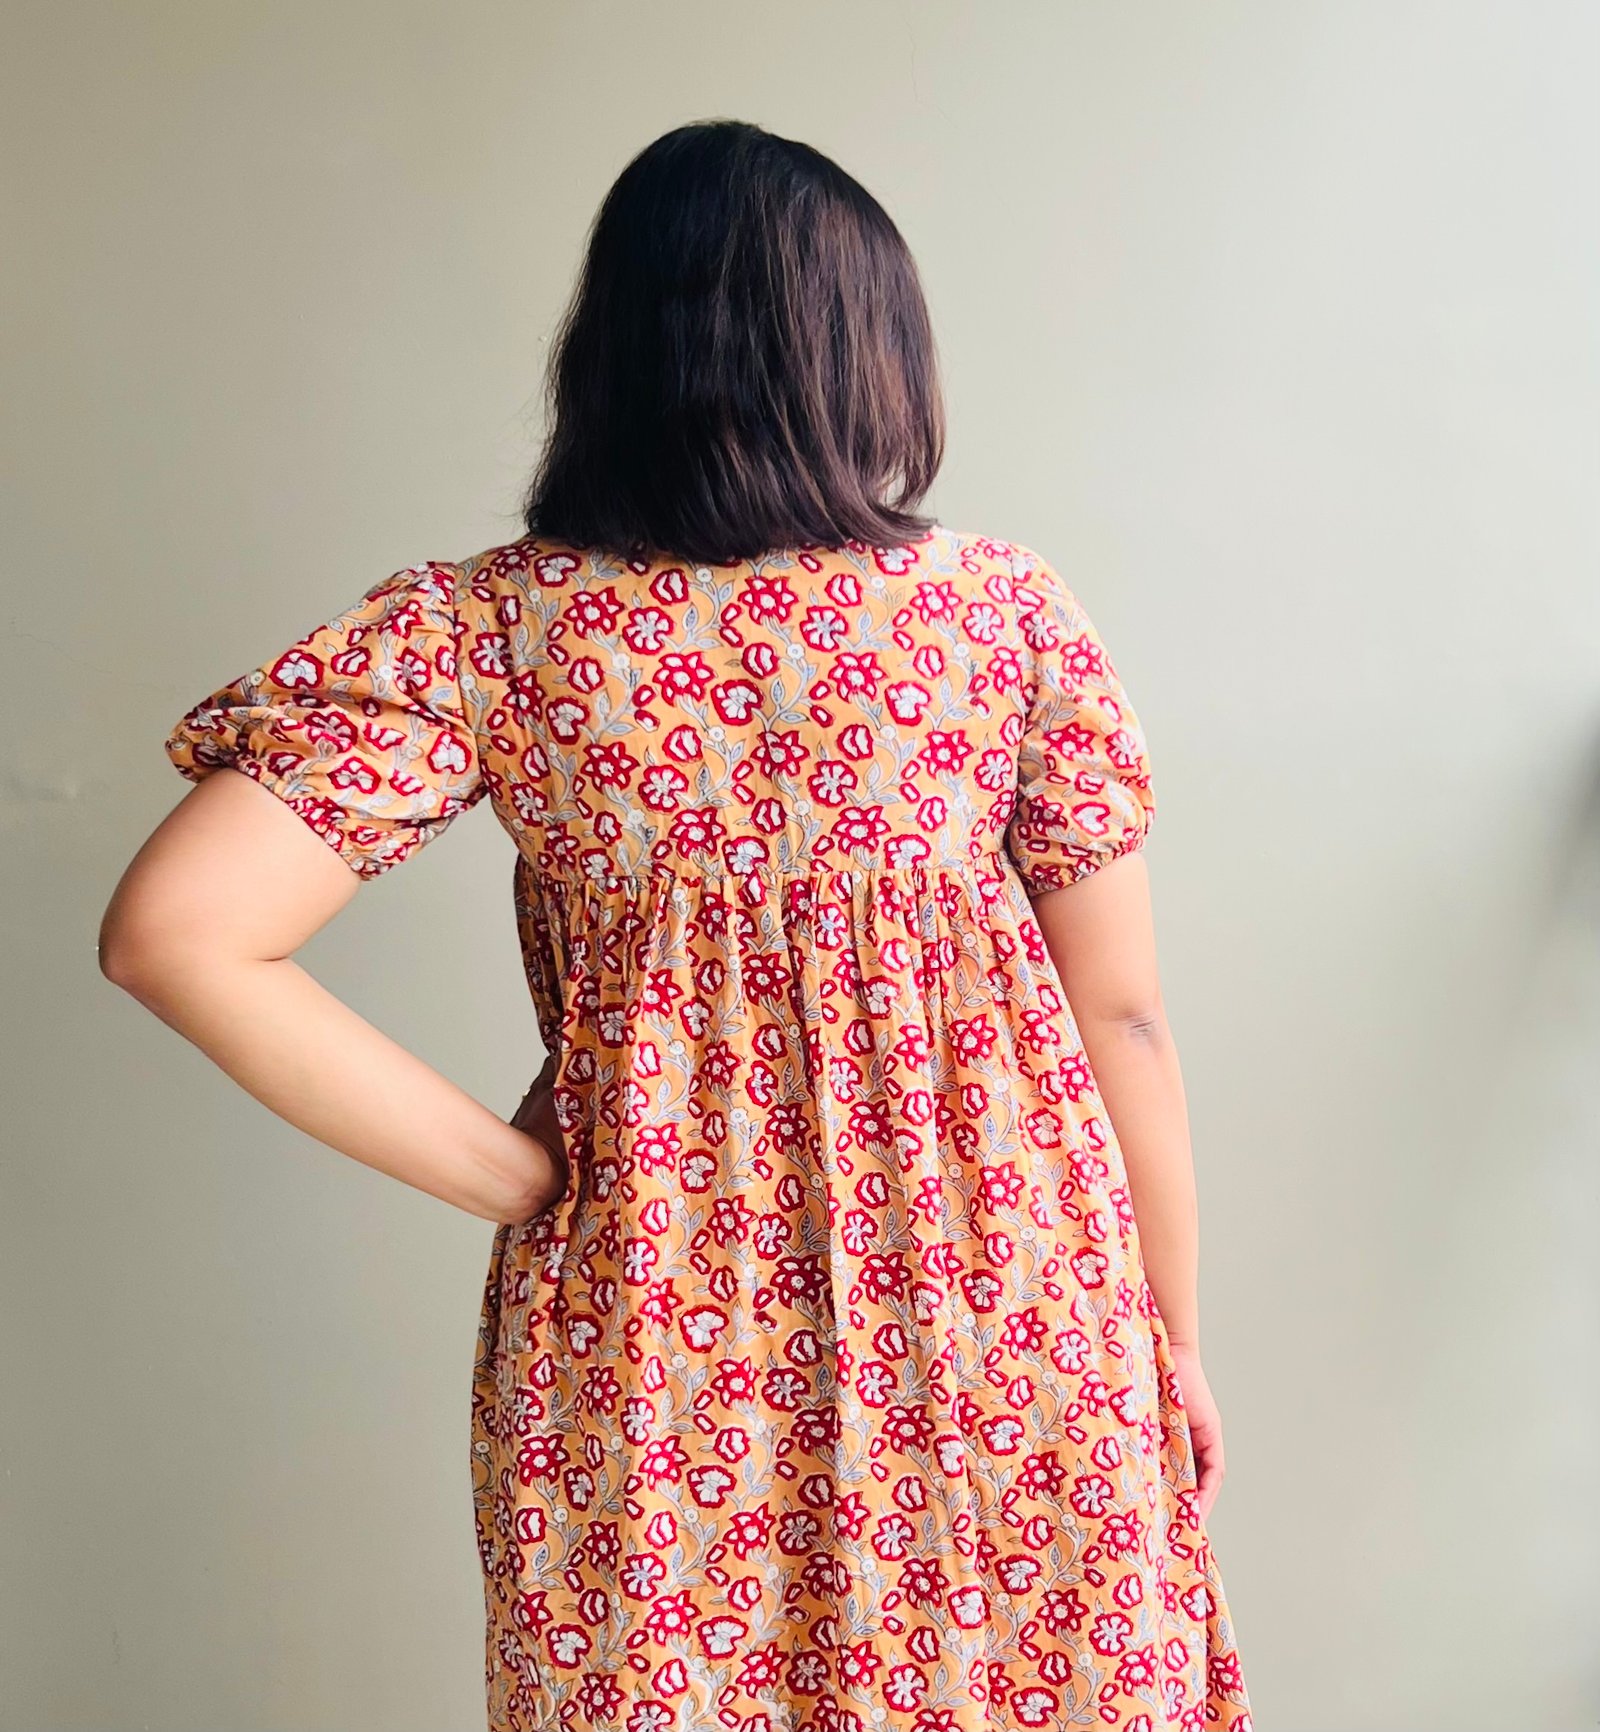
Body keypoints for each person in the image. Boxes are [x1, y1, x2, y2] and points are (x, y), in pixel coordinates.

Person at [100, 119, 1253, 1732]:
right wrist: (1171, 1334)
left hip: (654, 1325)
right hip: (1009, 1299)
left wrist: (519, 1182)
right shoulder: (999, 615)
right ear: (871, 355)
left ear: (616, 352)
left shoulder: (491, 630)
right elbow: (1122, 1016)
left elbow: (178, 935)